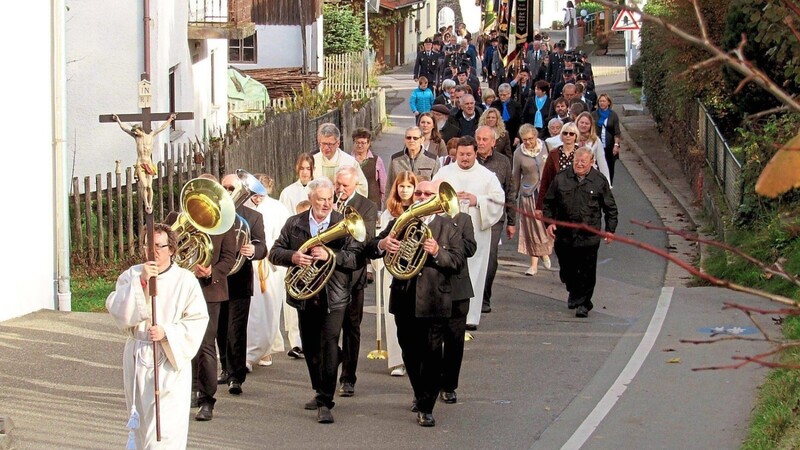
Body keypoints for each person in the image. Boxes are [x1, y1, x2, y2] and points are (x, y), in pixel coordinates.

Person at [365, 180, 466, 427]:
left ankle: (426, 406)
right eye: (419, 193)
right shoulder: (400, 223)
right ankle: (420, 391)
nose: (422, 197)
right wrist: (382, 244)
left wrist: (436, 252)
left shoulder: (448, 226)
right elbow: (370, 247)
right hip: (405, 297)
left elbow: (457, 262)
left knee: (432, 353)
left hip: (435, 299)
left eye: (428, 194)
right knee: (409, 350)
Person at [106, 223, 209, 448]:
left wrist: (167, 332)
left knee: (166, 428)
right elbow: (118, 310)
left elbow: (198, 319)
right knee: (141, 424)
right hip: (138, 357)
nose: (153, 252)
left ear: (171, 249)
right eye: (148, 246)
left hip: (169, 360)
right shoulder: (131, 275)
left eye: (159, 246)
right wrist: (142, 282)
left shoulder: (185, 280)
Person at [268, 178, 361, 424]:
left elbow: (355, 259)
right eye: (321, 199)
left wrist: (332, 254)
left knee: (329, 343)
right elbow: (274, 253)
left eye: (330, 198)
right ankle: (320, 388)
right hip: (305, 295)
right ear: (310, 198)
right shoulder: (294, 223)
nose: (326, 203)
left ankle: (325, 400)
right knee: (310, 347)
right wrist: (294, 257)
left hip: (334, 296)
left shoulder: (344, 223)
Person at [163, 173, 236, 422]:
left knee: (205, 346)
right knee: (177, 342)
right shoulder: (175, 218)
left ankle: (207, 400)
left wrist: (211, 271)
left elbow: (229, 258)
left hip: (209, 291)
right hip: (178, 290)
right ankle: (186, 390)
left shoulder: (226, 222)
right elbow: (162, 248)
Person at [432, 136, 504, 330]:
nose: (464, 158)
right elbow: (432, 196)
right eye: (461, 154)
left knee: (474, 270)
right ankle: (444, 310)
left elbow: (499, 201)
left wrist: (477, 200)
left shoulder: (487, 176)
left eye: (469, 154)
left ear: (475, 153)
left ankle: (471, 316)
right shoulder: (444, 173)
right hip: (446, 230)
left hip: (476, 230)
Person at [543, 147, 618, 318]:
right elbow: (548, 202)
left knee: (587, 269)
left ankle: (584, 302)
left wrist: (610, 230)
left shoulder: (599, 181)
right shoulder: (561, 178)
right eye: (577, 161)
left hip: (588, 234)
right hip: (564, 233)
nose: (579, 164)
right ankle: (574, 290)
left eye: (584, 161)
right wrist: (549, 223)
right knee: (567, 268)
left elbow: (610, 208)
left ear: (592, 162)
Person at [217, 173, 268, 396]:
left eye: (232, 188)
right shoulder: (213, 214)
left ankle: (236, 376)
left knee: (236, 329)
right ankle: (226, 368)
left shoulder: (253, 217)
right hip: (216, 277)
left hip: (239, 280)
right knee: (219, 328)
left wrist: (253, 250)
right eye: (225, 188)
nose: (229, 192)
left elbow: (262, 246)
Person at [334, 166, 378, 397]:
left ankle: (348, 378)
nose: (340, 189)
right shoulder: (327, 201)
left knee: (351, 328)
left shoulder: (367, 206)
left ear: (355, 186)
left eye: (345, 186)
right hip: (329, 276)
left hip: (353, 276)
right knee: (327, 330)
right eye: (338, 184)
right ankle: (334, 363)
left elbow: (366, 239)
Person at [372, 171, 418, 376]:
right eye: (402, 186)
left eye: (409, 186)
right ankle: (397, 360)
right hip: (393, 269)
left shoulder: (420, 210)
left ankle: (414, 359)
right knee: (393, 317)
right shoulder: (390, 214)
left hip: (415, 268)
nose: (405, 190)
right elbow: (379, 241)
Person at [245, 175, 291, 370]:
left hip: (270, 266)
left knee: (270, 309)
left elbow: (283, 237)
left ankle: (266, 349)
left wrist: (267, 250)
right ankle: (248, 352)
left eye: (260, 193)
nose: (257, 198)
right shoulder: (244, 206)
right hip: (249, 263)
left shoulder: (278, 208)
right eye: (254, 194)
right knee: (250, 312)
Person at [437, 180, 477, 405]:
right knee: (432, 341)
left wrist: (449, 239)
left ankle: (449, 385)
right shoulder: (428, 221)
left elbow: (470, 248)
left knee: (454, 341)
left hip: (458, 290)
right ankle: (430, 386)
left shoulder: (463, 220)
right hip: (433, 289)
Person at [474, 126, 515, 315]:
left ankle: (484, 297)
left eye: (485, 140)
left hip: (494, 218)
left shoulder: (503, 162)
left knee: (490, 258)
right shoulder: (469, 160)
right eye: (479, 139)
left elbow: (510, 192)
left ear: (493, 142)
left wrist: (512, 222)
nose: (481, 143)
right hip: (470, 216)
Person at [112, 113, 176, 213]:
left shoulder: (150, 136)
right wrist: (118, 120)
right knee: (145, 185)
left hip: (149, 163)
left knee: (150, 186)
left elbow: (162, 128)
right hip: (140, 164)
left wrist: (170, 120)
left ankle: (150, 203)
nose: (136, 134)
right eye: (135, 133)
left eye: (137, 132)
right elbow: (124, 128)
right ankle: (146, 204)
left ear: (140, 130)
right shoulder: (136, 137)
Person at [512, 124, 553, 275]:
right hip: (529, 193)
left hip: (547, 193)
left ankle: (544, 252)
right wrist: (513, 197)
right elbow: (515, 176)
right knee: (532, 228)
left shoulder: (546, 147)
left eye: (531, 138)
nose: (528, 142)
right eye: (525, 140)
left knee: (544, 226)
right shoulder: (518, 153)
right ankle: (534, 264)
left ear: (536, 136)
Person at [313, 123, 368, 197]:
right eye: (323, 143)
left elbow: (362, 187)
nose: (326, 148)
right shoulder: (313, 161)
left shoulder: (350, 162)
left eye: (329, 144)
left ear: (338, 143)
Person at [537, 121, 580, 211]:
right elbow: (545, 179)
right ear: (561, 135)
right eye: (565, 133)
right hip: (557, 198)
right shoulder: (554, 153)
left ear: (576, 136)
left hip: (578, 199)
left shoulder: (581, 153)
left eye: (571, 134)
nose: (568, 136)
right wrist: (539, 206)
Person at [350, 128, 387, 210]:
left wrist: (385, 204)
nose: (360, 145)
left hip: (373, 203)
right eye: (357, 142)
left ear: (369, 143)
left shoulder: (376, 160)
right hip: (353, 204)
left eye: (363, 143)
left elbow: (383, 185)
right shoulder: (348, 160)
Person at [591, 93, 622, 186]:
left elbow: (617, 132)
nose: (602, 103)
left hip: (609, 146)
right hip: (597, 145)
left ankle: (609, 185)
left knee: (609, 167)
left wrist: (616, 146)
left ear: (608, 102)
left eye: (604, 101)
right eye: (600, 101)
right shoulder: (594, 114)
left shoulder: (613, 115)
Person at [575, 111, 612, 183]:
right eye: (582, 122)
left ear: (591, 125)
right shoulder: (571, 136)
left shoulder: (595, 140)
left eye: (587, 123)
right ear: (577, 123)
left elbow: (602, 161)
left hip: (590, 175)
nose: (584, 125)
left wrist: (607, 182)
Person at [491, 83, 523, 147]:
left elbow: (520, 121)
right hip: (497, 133)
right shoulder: (494, 104)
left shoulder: (516, 105)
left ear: (509, 94)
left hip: (512, 134)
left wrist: (518, 136)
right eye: (500, 95)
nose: (502, 97)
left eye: (504, 95)